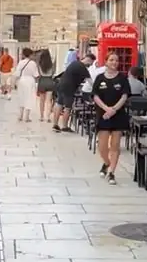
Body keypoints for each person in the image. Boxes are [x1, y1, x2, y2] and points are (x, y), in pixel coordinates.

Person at [92, 53, 131, 185]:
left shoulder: (122, 78)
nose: (114, 62)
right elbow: (95, 96)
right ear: (106, 62)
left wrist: (114, 109)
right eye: (111, 60)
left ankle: (112, 172)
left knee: (115, 145)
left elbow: (124, 96)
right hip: (103, 115)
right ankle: (106, 162)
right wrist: (106, 109)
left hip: (118, 115)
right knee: (102, 146)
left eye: (116, 60)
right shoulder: (99, 78)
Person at [51, 53, 94, 133]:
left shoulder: (74, 63)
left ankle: (55, 124)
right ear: (89, 60)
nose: (90, 65)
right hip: (69, 88)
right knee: (68, 107)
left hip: (61, 85)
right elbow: (90, 81)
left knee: (59, 104)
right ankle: (64, 126)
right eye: (90, 63)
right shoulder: (82, 67)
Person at [14, 48, 39, 122]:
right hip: (30, 81)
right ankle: (27, 116)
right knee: (29, 98)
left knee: (22, 97)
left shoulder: (21, 62)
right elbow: (36, 74)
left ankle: (20, 115)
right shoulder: (33, 63)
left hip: (22, 80)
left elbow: (17, 73)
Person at [36, 49, 57, 122]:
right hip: (50, 81)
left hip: (42, 81)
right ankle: (47, 117)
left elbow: (38, 73)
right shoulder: (52, 64)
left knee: (42, 100)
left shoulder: (39, 64)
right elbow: (53, 72)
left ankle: (41, 116)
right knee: (49, 100)